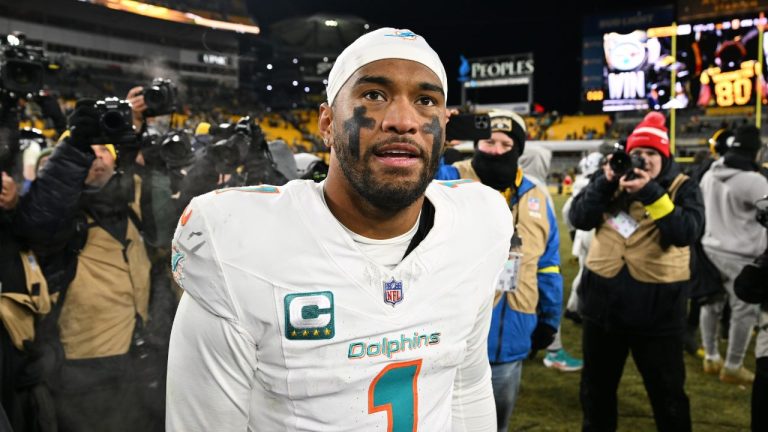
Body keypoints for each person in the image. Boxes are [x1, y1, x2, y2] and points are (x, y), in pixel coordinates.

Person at [166, 27, 512, 431]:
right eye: (374, 95)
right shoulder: (240, 246)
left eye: (425, 100)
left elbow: (467, 386)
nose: (403, 121)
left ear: (444, 127)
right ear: (327, 123)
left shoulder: (478, 224)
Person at [569, 112, 702, 431]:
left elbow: (685, 233)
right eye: (637, 154)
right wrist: (604, 181)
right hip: (603, 313)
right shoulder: (610, 180)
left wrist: (651, 193)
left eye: (651, 154)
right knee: (597, 394)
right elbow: (579, 218)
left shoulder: (683, 186)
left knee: (667, 396)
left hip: (659, 315)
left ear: (664, 157)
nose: (642, 160)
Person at [437, 110, 564, 430]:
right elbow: (412, 186)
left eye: (505, 143)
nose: (495, 149)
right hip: (453, 336)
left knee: (497, 424)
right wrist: (436, 139)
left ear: (518, 149)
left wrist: (550, 318)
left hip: (513, 335)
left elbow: (548, 265)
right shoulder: (448, 177)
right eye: (488, 141)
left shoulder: (536, 195)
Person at [699, 125, 768, 385]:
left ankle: (711, 357)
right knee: (744, 311)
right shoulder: (754, 181)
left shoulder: (710, 173)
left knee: (711, 303)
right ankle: (732, 365)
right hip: (741, 253)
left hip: (709, 247)